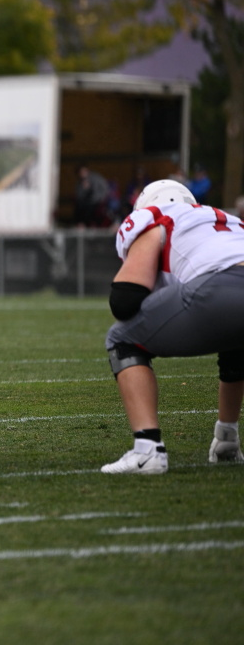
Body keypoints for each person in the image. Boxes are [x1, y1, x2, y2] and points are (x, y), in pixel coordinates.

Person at [101, 179, 244, 474]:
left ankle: (147, 449)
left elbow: (124, 299)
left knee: (122, 337)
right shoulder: (227, 220)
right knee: (235, 341)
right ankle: (226, 437)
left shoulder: (155, 218)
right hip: (230, 287)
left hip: (219, 289)